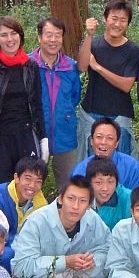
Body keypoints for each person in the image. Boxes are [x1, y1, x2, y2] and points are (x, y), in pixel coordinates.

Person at [11, 175, 110, 278]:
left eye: (82, 201)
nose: (76, 206)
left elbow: (106, 247)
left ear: (89, 206)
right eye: (71, 199)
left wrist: (93, 260)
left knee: (94, 271)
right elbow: (21, 267)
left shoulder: (92, 219)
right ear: (61, 199)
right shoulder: (36, 222)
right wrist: (65, 262)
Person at [0, 16, 47, 191]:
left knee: (26, 189)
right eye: (4, 35)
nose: (10, 39)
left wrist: (43, 138)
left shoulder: (30, 66)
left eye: (14, 33)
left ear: (20, 36)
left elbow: (37, 104)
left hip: (24, 136)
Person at [76, 0, 139, 159]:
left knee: (121, 163)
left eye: (123, 20)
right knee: (89, 165)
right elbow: (82, 66)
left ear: (128, 24)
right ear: (105, 19)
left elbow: (126, 85)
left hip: (120, 115)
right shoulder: (93, 43)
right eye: (114, 18)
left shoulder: (132, 50)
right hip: (91, 113)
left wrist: (98, 67)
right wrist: (89, 35)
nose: (117, 24)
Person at [30, 17, 82, 190]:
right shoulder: (28, 65)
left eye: (58, 35)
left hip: (65, 135)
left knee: (68, 187)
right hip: (35, 135)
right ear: (39, 37)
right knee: (30, 186)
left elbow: (75, 97)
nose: (53, 40)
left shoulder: (70, 66)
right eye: (48, 35)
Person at [0, 157, 48, 274]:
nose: (32, 185)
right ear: (16, 177)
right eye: (28, 179)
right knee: (8, 255)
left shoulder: (41, 205)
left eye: (38, 181)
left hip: (22, 248)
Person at [70, 117, 139, 190]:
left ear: (117, 143)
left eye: (109, 138)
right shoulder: (81, 169)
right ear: (91, 141)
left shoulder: (132, 166)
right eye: (99, 137)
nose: (103, 142)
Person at [85, 156, 132, 230]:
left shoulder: (129, 199)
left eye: (110, 182)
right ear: (89, 183)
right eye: (98, 182)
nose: (105, 188)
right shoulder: (80, 199)